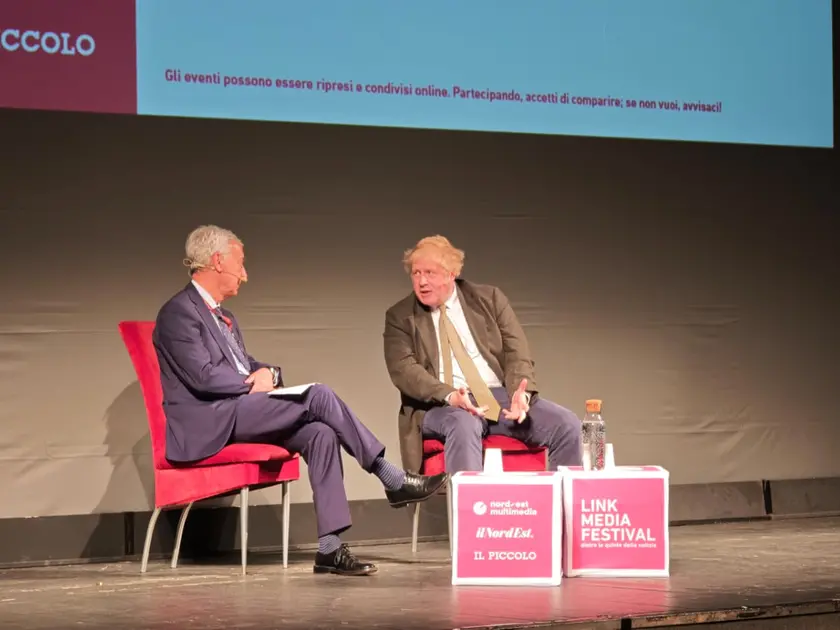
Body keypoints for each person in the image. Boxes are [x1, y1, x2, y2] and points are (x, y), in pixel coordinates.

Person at [153, 225, 448, 577]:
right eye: (240, 264)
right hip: (210, 421)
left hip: (238, 410)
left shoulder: (225, 317)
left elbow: (246, 365)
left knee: (321, 433)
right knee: (319, 394)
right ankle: (390, 476)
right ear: (217, 262)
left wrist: (270, 376)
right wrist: (250, 383)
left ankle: (330, 549)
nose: (244, 275)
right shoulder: (178, 313)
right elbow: (202, 376)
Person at [383, 235, 583, 476]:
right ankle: (470, 512)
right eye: (416, 273)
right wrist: (450, 396)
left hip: (496, 396)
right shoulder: (400, 316)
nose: (422, 281)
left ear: (451, 273)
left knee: (567, 425)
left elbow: (516, 351)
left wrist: (523, 395)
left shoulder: (489, 300)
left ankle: (564, 511)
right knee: (463, 423)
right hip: (439, 405)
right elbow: (405, 371)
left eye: (430, 273)